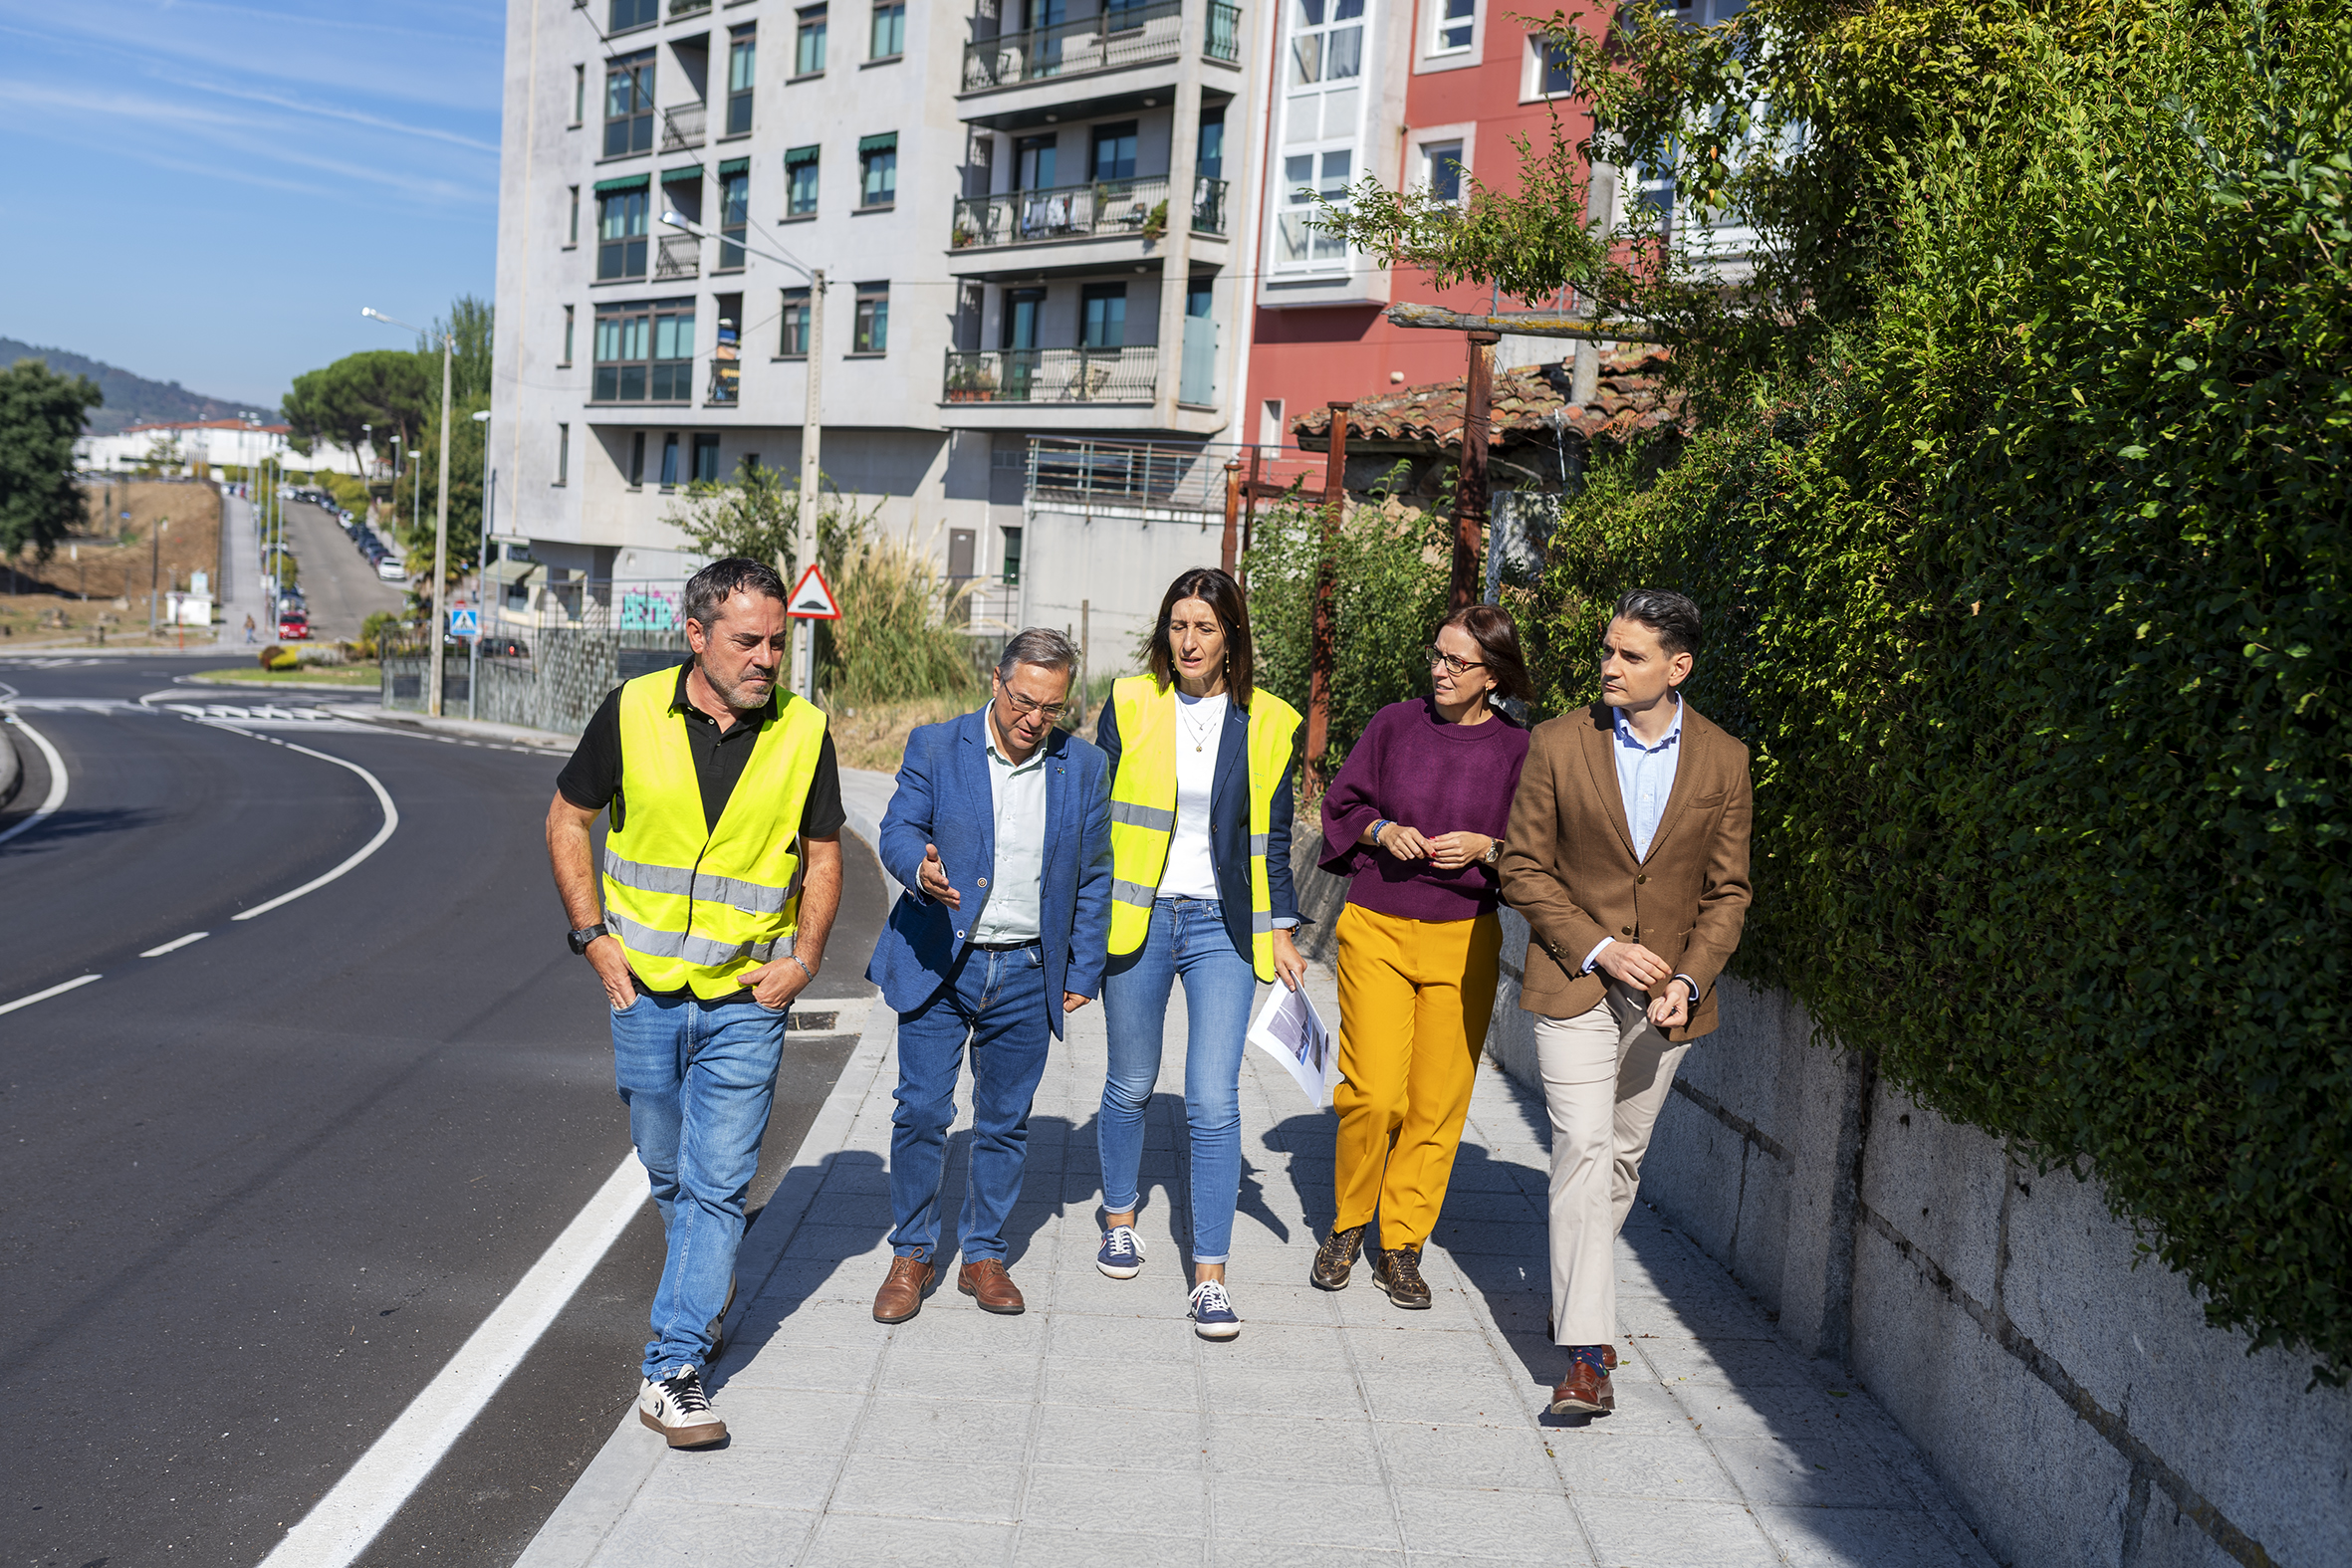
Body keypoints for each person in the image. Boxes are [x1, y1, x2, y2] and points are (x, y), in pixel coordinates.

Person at [544, 557, 846, 1449]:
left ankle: (673, 1365)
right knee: (669, 1168)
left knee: (718, 1183)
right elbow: (567, 817)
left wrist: (805, 960)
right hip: (640, 989)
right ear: (696, 636)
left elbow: (824, 855)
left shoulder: (803, 731)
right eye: (747, 641)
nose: (767, 660)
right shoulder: (633, 711)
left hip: (748, 994)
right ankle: (708, 1290)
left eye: (777, 643)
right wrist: (592, 935)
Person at [1500, 588, 1753, 1418]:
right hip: (1573, 979)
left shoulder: (1725, 759)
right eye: (1608, 650)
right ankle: (1586, 1353)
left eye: (1630, 655)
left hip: (1667, 1001)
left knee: (1620, 1159)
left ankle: (1575, 1294)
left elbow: (1728, 894)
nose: (1609, 665)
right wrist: (1601, 945)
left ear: (1677, 667)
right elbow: (1522, 867)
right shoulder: (1556, 743)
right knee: (1580, 1142)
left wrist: (1688, 978)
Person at [864, 628, 1112, 1322]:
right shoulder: (936, 746)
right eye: (1025, 701)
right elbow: (897, 828)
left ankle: (983, 1254)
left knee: (1004, 1121)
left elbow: (1094, 876)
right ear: (997, 681)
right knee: (921, 1109)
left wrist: (1084, 965)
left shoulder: (1083, 768)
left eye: (1053, 708)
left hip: (1030, 967)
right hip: (941, 960)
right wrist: (920, 868)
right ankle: (912, 1251)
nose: (1035, 719)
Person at [1094, 567, 1307, 1340]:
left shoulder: (1271, 721)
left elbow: (1274, 838)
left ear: (1231, 637)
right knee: (1131, 1081)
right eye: (1179, 625)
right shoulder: (1127, 702)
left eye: (1205, 627)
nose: (1189, 640)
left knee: (1214, 1099)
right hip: (1139, 919)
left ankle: (1210, 1276)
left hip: (1225, 924)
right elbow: (1096, 817)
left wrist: (1282, 929)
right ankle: (1119, 1219)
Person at [1312, 604, 1533, 1307]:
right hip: (1377, 924)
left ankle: (1401, 1242)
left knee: (1436, 1105)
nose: (1440, 669)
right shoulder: (1393, 724)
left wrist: (1486, 848)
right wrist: (1381, 830)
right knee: (1374, 1092)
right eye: (1437, 655)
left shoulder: (1517, 751)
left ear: (1492, 676)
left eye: (1457, 661)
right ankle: (1349, 1221)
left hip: (1466, 935)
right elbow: (1341, 805)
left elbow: (1535, 849)